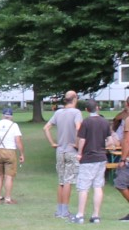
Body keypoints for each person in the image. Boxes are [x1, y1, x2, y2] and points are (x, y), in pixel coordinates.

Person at [43, 90, 83, 220]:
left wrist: (53, 143)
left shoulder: (58, 112)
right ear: (75, 99)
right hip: (71, 151)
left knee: (61, 181)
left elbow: (46, 128)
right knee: (68, 181)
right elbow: (78, 128)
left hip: (60, 150)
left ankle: (59, 210)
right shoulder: (76, 113)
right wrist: (77, 144)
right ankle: (65, 211)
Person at [71, 98, 112, 223]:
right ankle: (95, 216)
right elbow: (110, 141)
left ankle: (80, 215)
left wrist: (79, 153)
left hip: (88, 158)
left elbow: (81, 140)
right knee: (98, 186)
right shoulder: (105, 122)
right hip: (101, 158)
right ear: (98, 108)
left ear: (86, 110)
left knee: (84, 187)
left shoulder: (86, 122)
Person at [0, 108, 24, 202]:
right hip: (9, 151)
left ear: (2, 115)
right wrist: (21, 154)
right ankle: (7, 198)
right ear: (11, 116)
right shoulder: (14, 125)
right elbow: (18, 141)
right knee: (9, 176)